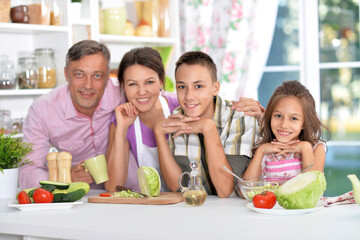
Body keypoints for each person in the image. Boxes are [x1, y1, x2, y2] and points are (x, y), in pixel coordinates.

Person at [105, 48, 264, 193]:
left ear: (161, 82)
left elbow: (225, 189)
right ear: (123, 86)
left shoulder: (182, 108)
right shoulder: (175, 115)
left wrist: (260, 117)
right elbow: (113, 187)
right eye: (132, 84)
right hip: (174, 202)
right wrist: (125, 129)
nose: (141, 91)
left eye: (149, 82)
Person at [19, 40, 125, 189]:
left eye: (97, 76)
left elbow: (155, 95)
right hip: (78, 199)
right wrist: (65, 178)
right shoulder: (42, 110)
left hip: (128, 193)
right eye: (79, 74)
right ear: (66, 74)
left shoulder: (122, 93)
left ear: (108, 77)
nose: (88, 85)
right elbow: (27, 173)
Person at [154, 51, 261, 198]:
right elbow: (177, 187)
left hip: (236, 213)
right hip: (198, 213)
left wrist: (208, 128)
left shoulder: (241, 118)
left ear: (215, 88)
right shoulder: (178, 118)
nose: (189, 96)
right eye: (182, 87)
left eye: (198, 86)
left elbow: (225, 190)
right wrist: (159, 134)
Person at [243, 80, 329, 182]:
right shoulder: (264, 149)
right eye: (278, 116)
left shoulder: (316, 149)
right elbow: (246, 189)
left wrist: (305, 148)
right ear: (270, 117)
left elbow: (313, 187)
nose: (284, 125)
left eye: (293, 118)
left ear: (304, 123)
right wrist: (260, 151)